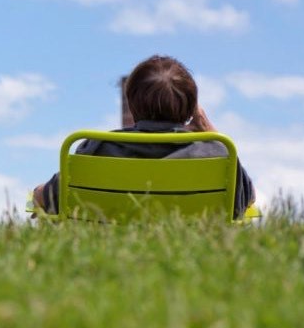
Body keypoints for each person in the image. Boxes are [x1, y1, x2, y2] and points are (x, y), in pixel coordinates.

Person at [32, 55, 255, 219]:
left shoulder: (98, 146)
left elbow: (51, 199)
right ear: (191, 111)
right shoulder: (216, 153)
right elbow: (247, 199)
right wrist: (210, 132)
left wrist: (37, 192)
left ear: (131, 104)